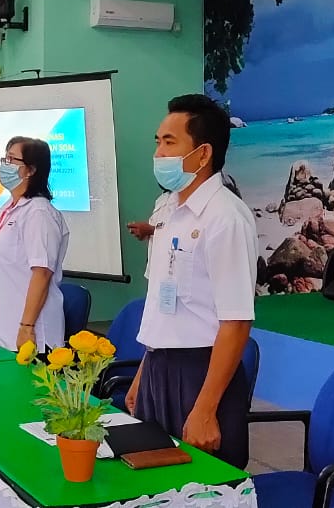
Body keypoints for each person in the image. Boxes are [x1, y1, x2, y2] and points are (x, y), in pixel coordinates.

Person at [126, 94, 258, 469]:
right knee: (152, 484)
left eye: (170, 143)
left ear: (203, 154)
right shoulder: (168, 210)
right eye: (158, 142)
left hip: (200, 373)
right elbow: (162, 306)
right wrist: (143, 375)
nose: (158, 153)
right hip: (159, 368)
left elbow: (236, 321)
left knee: (201, 485)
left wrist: (205, 408)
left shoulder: (226, 218)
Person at [0, 137, 70, 352]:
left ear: (30, 170)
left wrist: (27, 326)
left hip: (31, 334)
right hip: (2, 329)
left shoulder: (39, 212)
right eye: (5, 158)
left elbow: (42, 273)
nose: (4, 165)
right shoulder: (7, 209)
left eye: (12, 159)